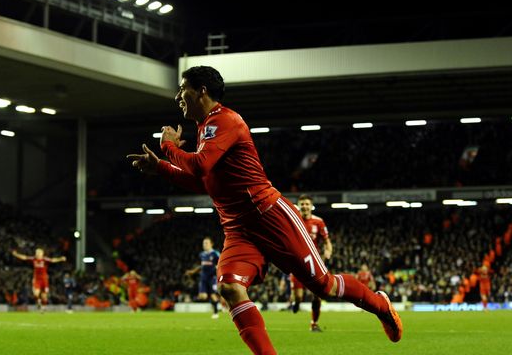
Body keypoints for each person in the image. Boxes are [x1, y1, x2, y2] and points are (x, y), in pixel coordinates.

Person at [127, 66, 402, 354]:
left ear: (202, 90)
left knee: (324, 286)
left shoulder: (225, 120)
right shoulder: (205, 128)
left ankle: (380, 305)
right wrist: (160, 167)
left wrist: (168, 148)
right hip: (237, 228)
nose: (177, 96)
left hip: (270, 215)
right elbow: (205, 182)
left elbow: (200, 165)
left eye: (183, 88)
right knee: (230, 287)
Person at [289, 195, 332, 332]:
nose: (305, 206)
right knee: (299, 297)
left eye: (307, 204)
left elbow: (327, 241)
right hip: (297, 263)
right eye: (302, 204)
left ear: (311, 206)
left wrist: (328, 252)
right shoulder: (293, 220)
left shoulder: (319, 222)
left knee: (317, 295)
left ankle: (314, 323)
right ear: (298, 205)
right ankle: (296, 303)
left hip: (314, 263)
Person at [185, 237, 222, 318]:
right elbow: (202, 266)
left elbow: (221, 263)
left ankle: (216, 313)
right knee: (203, 296)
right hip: (203, 277)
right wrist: (193, 271)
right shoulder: (202, 254)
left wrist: (218, 268)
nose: (204, 245)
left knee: (212, 295)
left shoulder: (215, 254)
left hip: (212, 277)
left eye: (206, 243)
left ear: (211, 244)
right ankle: (215, 301)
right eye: (203, 243)